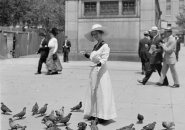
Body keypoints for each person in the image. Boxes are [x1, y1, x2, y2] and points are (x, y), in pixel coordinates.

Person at [81, 24, 117, 124]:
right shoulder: (96, 46)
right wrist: (86, 55)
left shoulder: (105, 46)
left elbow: (104, 60)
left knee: (101, 92)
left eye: (96, 34)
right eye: (93, 34)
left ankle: (102, 116)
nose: (95, 36)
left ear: (101, 33)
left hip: (101, 72)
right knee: (93, 92)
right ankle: (93, 114)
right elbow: (93, 58)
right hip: (94, 71)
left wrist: (98, 63)